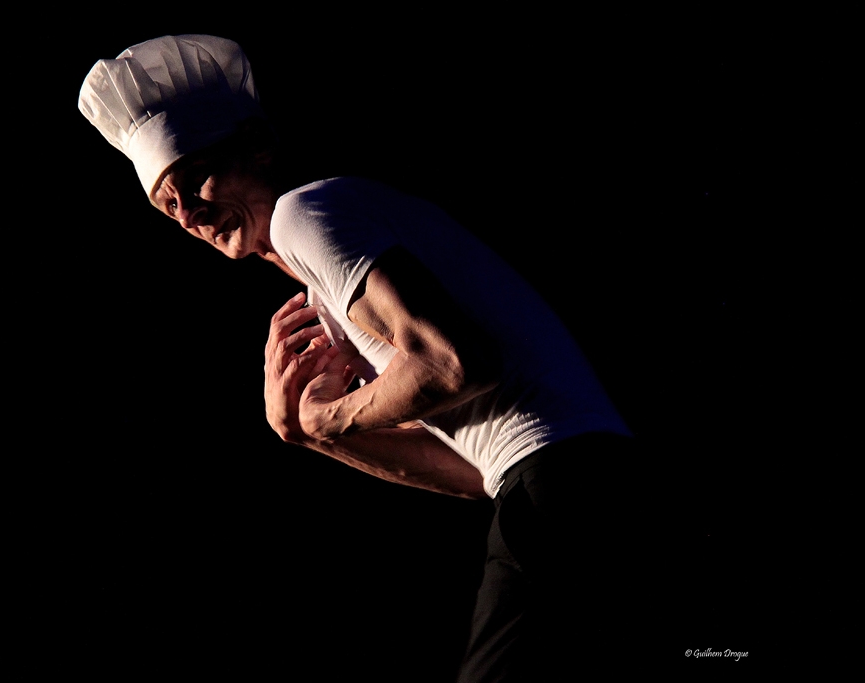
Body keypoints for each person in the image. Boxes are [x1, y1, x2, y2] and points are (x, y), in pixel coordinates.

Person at [80, 34, 638, 680]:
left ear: (258, 144)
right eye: (166, 203)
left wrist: (329, 419)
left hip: (563, 488)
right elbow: (472, 472)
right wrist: (303, 433)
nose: (188, 212)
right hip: (582, 487)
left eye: (195, 176)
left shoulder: (304, 212)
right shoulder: (329, 280)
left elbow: (455, 362)